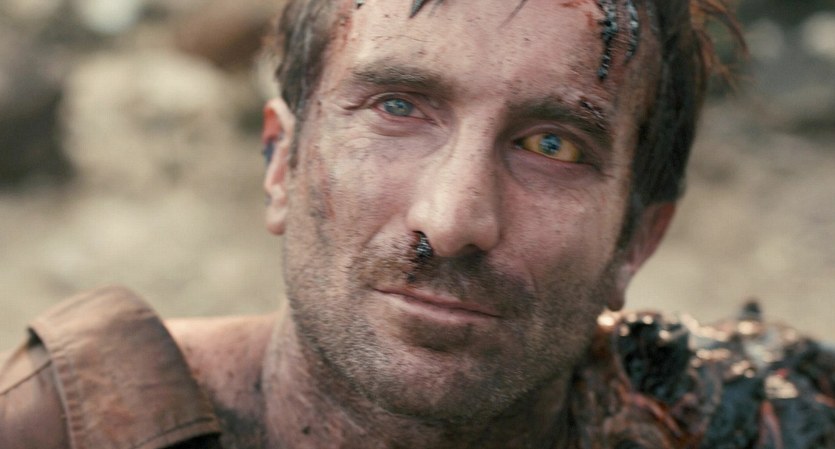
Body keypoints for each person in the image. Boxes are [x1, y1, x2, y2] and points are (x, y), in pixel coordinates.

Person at [2, 0, 834, 448]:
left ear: (635, 242)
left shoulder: (720, 419)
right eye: (397, 107)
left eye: (551, 144)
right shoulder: (72, 425)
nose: (453, 218)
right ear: (281, 163)